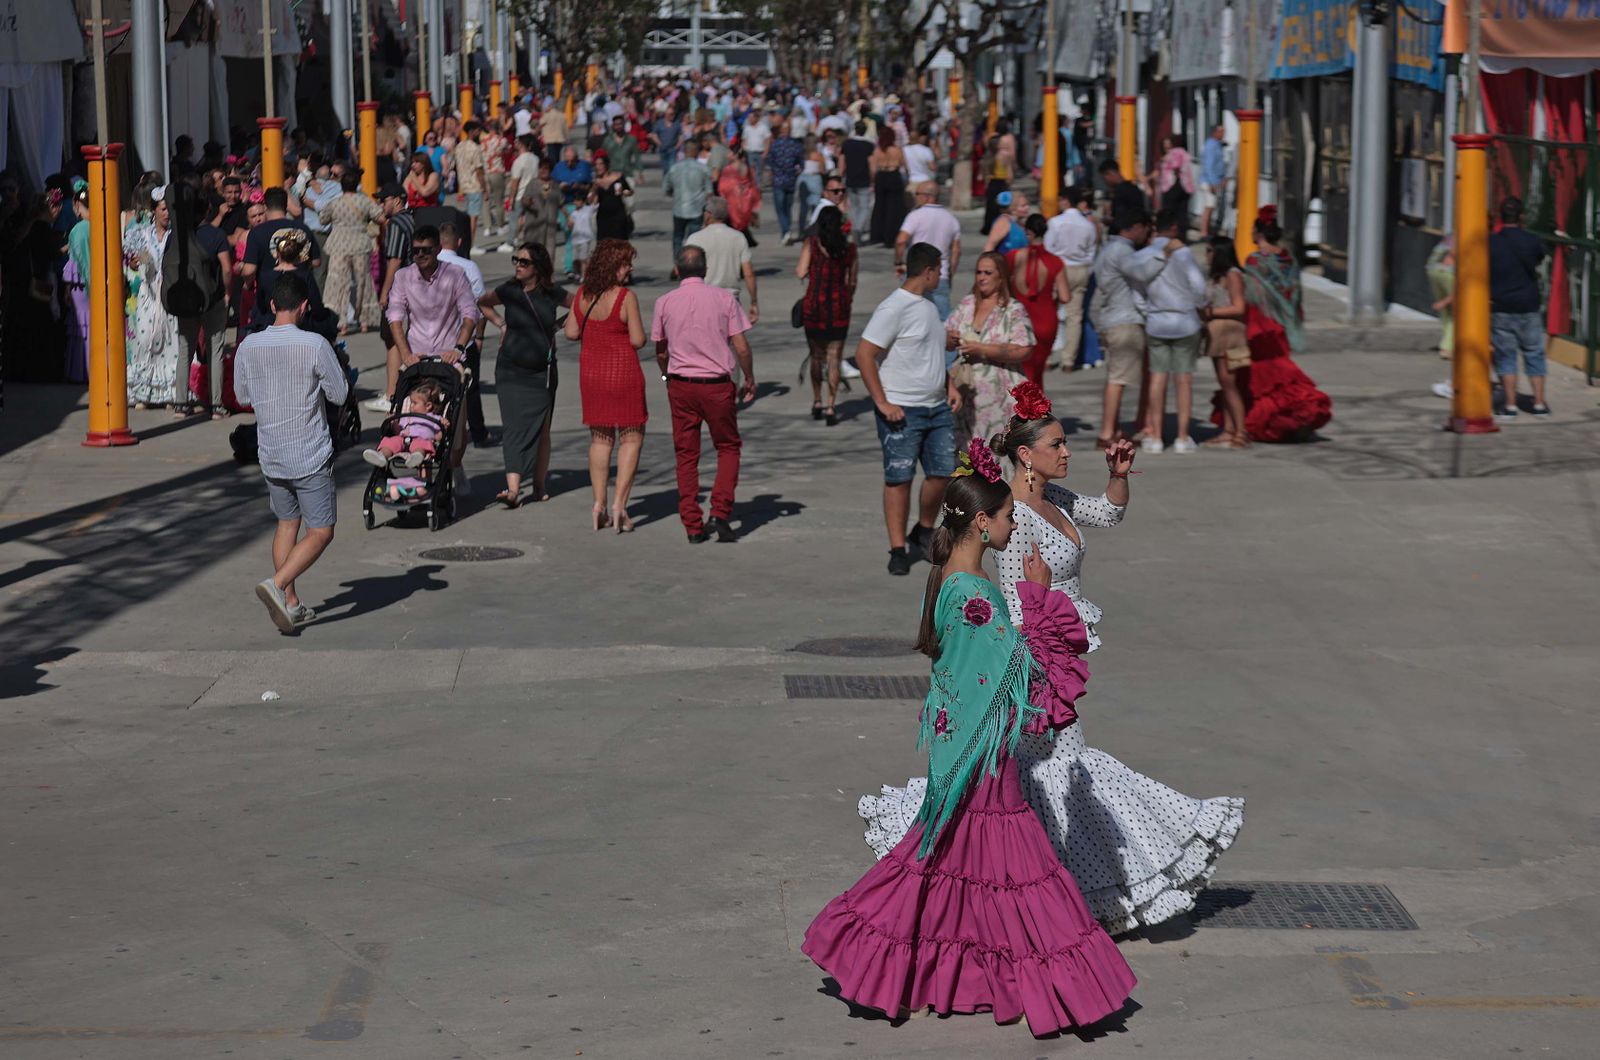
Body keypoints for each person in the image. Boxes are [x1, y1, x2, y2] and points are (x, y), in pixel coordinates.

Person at [861, 386, 1246, 935]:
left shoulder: (1056, 499)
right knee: (1054, 772)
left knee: (1039, 777)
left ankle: (1050, 888)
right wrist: (1038, 668)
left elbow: (1107, 515)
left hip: (1058, 652)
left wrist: (1118, 474)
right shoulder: (1011, 518)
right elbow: (1011, 605)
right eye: (1057, 444)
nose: (1067, 452)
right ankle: (1056, 890)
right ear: (1025, 455)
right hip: (1035, 663)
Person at [805, 448, 1138, 1035]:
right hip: (981, 761)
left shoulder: (961, 581)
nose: (1015, 524)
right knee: (1011, 877)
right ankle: (1049, 985)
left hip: (972, 753)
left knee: (959, 870)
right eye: (1009, 514)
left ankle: (949, 977)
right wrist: (1037, 598)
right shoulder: (974, 594)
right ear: (981, 523)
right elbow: (1021, 671)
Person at [233, 272, 349, 633]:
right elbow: (339, 394)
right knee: (322, 531)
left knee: (287, 523)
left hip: (271, 452)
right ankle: (278, 584)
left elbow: (242, 397)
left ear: (271, 306)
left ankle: (292, 603)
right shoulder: (314, 344)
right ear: (304, 306)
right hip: (309, 452)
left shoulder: (248, 346)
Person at [856, 241, 961, 576]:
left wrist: (949, 385)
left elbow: (930, 354)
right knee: (899, 478)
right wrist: (882, 402)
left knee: (942, 473)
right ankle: (898, 547)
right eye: (939, 271)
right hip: (902, 409)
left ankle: (924, 529)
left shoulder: (929, 307)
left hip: (938, 407)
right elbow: (864, 354)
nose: (940, 277)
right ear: (928, 271)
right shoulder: (894, 307)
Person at [651, 245, 757, 544]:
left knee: (686, 455)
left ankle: (692, 524)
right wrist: (748, 377)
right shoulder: (724, 298)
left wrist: (666, 375)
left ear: (677, 270)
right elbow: (742, 346)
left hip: (681, 384)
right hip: (717, 385)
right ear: (706, 269)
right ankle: (720, 511)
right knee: (728, 447)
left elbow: (660, 349)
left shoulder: (665, 302)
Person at [385, 223, 482, 481]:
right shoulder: (404, 276)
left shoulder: (455, 275)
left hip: (448, 355)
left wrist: (459, 348)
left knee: (455, 424)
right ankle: (418, 469)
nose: (420, 256)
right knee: (408, 413)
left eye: (426, 250)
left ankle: (455, 463)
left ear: (438, 249)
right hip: (417, 355)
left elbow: (470, 313)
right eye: (415, 251)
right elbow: (395, 316)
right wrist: (405, 354)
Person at [566, 238, 647, 532]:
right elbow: (638, 340)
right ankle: (618, 506)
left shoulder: (582, 294)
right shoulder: (626, 298)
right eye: (626, 263)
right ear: (613, 266)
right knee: (631, 438)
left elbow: (571, 333)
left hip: (592, 375)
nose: (630, 268)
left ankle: (598, 503)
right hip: (623, 373)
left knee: (600, 440)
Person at [479, 243, 569, 508]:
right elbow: (482, 302)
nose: (518, 264)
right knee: (513, 427)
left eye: (524, 261)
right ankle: (514, 489)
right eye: (515, 259)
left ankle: (539, 486)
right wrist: (501, 323)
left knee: (542, 430)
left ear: (538, 267)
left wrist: (558, 326)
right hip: (509, 370)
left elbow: (581, 305)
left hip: (542, 372)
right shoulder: (508, 290)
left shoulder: (552, 293)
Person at [1231, 211, 1333, 442]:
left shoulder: (1255, 261)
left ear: (1258, 233)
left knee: (1262, 375)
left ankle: (1271, 419)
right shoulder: (1289, 259)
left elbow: (1253, 295)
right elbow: (1294, 293)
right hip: (1282, 323)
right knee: (1281, 370)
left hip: (1259, 323)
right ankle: (1291, 415)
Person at [1090, 209, 1179, 447]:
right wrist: (1164, 254)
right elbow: (1142, 273)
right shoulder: (1122, 250)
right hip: (1125, 320)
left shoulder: (1108, 249)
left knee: (1116, 377)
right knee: (1118, 379)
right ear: (1134, 227)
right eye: (1144, 228)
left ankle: (1114, 428)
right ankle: (1107, 432)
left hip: (1112, 318)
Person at [945, 251, 1035, 448]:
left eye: (987, 273)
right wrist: (950, 340)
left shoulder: (1013, 309)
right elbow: (944, 338)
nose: (982, 278)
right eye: (978, 273)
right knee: (967, 454)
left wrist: (982, 349)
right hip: (966, 392)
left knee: (998, 454)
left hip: (1000, 397)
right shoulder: (967, 304)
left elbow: (1025, 349)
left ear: (1001, 276)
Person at [1139, 207, 1208, 453]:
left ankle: (1156, 436)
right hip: (1185, 321)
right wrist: (1199, 305)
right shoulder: (1184, 253)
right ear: (1176, 228)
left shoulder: (1146, 254)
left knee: (1157, 379)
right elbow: (1199, 287)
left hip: (1157, 321)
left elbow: (1138, 285)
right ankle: (1181, 436)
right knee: (1184, 380)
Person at [124, 182, 184, 408]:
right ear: (154, 211)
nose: (167, 213)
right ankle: (143, 393)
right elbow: (132, 262)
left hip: (169, 293)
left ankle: (169, 393)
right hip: (148, 294)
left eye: (169, 209)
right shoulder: (141, 234)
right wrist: (135, 261)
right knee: (144, 339)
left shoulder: (175, 235)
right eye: (163, 209)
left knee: (170, 341)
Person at [796, 204, 857, 425]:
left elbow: (800, 271)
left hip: (815, 307)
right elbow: (852, 281)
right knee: (834, 358)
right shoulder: (849, 249)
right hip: (839, 308)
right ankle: (832, 405)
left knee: (816, 355)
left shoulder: (811, 245)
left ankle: (817, 400)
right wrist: (846, 298)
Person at [1490, 196, 1549, 420]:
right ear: (1522, 216)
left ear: (1500, 216)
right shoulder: (1532, 240)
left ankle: (1511, 406)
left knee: (1506, 357)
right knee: (1534, 354)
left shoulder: (1491, 242)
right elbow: (1539, 259)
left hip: (1502, 306)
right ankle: (1540, 404)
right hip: (1529, 305)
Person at [436, 222, 489, 446]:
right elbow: (480, 307)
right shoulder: (469, 266)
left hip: (433, 340)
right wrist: (479, 337)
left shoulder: (430, 265)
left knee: (436, 388)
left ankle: (435, 431)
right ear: (458, 242)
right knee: (470, 387)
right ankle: (478, 433)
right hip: (462, 340)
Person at [365, 182, 415, 411]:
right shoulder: (411, 219)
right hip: (415, 285)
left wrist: (385, 292)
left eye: (383, 200)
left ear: (396, 200)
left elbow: (394, 260)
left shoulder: (395, 224)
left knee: (392, 339)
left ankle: (392, 394)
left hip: (399, 288)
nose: (381, 204)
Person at [1199, 236, 1251, 449]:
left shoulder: (1233, 275)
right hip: (1216, 335)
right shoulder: (1215, 276)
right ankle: (1229, 430)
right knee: (1224, 384)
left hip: (1231, 334)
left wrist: (1210, 312)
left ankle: (1240, 430)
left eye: (1210, 250)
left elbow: (1239, 307)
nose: (1207, 255)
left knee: (1230, 384)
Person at [1007, 214, 1069, 385]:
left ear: (1028, 232)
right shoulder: (1055, 261)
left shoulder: (1013, 257)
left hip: (1020, 320)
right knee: (1038, 370)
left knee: (1023, 370)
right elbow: (1065, 297)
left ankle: (1028, 408)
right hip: (1046, 320)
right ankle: (1035, 408)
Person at [320, 169, 383, 335]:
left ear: (342, 185)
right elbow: (380, 217)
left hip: (339, 245)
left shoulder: (335, 203)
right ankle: (364, 321)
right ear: (357, 185)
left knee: (340, 283)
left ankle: (342, 323)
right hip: (360, 244)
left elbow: (323, 219)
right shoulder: (365, 201)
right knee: (363, 281)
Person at [1044, 184, 1098, 371]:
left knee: (1050, 312)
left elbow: (1048, 248)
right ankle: (1069, 360)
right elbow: (1092, 250)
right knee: (1075, 316)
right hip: (1081, 268)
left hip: (1060, 268)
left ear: (1065, 201)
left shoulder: (1055, 223)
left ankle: (1049, 357)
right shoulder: (1088, 225)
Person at [894, 181, 961, 320]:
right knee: (942, 318)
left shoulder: (915, 216)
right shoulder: (951, 219)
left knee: (913, 316)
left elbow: (901, 240)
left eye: (917, 194)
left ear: (926, 196)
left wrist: (899, 262)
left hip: (917, 273)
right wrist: (950, 272)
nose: (915, 197)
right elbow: (956, 251)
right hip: (940, 275)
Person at [685, 197, 757, 317]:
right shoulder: (738, 237)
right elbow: (748, 274)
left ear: (708, 214)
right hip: (731, 298)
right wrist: (754, 301)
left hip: (703, 298)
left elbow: (687, 272)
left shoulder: (695, 238)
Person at [664, 138, 713, 259]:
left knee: (677, 238)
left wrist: (675, 194)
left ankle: (677, 264)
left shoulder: (674, 168)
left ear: (684, 151)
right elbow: (709, 192)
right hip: (696, 209)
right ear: (696, 152)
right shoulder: (703, 169)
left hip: (679, 208)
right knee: (694, 239)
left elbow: (666, 188)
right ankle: (692, 262)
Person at [765, 116, 804, 244]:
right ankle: (786, 231)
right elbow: (801, 163)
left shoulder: (775, 145)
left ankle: (786, 231)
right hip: (790, 180)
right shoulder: (795, 145)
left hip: (779, 181)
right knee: (787, 208)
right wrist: (796, 172)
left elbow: (769, 161)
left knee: (780, 209)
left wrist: (773, 172)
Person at [1145, 134, 1194, 233]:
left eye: (1168, 144)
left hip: (1173, 185)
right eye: (1164, 144)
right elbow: (1158, 171)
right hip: (1184, 187)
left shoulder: (1175, 153)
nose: (1166, 146)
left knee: (1170, 212)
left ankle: (1170, 233)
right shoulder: (1181, 153)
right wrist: (1147, 178)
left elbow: (1176, 166)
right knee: (1181, 212)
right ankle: (1181, 234)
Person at [867, 127, 907, 247]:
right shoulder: (897, 150)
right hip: (893, 176)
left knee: (880, 207)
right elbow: (903, 165)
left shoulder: (877, 151)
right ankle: (892, 235)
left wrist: (873, 182)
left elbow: (873, 170)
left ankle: (879, 235)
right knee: (895, 208)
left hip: (881, 177)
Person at [716, 145, 762, 245]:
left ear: (736, 155)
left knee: (733, 222)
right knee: (742, 222)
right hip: (746, 199)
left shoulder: (728, 169)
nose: (727, 155)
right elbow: (753, 185)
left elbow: (723, 187)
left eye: (730, 153)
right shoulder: (747, 167)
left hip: (732, 201)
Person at [502, 134, 541, 251]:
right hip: (533, 193)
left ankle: (510, 242)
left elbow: (515, 182)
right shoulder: (536, 159)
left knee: (514, 218)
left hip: (520, 193)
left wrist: (511, 197)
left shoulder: (518, 161)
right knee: (530, 218)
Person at [841, 120, 875, 241]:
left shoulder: (847, 144)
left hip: (850, 178)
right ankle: (858, 229)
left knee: (854, 207)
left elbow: (842, 162)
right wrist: (873, 180)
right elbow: (872, 165)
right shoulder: (868, 145)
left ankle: (855, 228)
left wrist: (840, 177)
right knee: (864, 207)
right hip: (864, 179)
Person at [454, 122, 487, 245]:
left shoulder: (459, 146)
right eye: (478, 131)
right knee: (473, 217)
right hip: (474, 185)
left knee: (468, 217)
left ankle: (465, 242)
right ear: (472, 131)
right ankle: (470, 244)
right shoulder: (474, 148)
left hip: (464, 184)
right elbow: (479, 171)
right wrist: (485, 189)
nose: (479, 133)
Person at [591, 153, 633, 241]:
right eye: (596, 165)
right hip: (603, 216)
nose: (598, 167)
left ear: (606, 165)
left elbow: (629, 191)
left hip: (618, 214)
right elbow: (592, 201)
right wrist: (594, 189)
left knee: (619, 241)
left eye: (600, 164)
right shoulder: (596, 181)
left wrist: (624, 192)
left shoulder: (618, 177)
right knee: (604, 244)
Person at [1199, 124, 1227, 238]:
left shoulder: (1217, 144)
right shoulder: (1211, 146)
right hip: (1209, 181)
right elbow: (1209, 166)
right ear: (1215, 132)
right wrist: (1212, 182)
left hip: (1215, 180)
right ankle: (1204, 232)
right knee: (1209, 206)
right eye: (1221, 132)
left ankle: (1207, 230)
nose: (1223, 134)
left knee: (1212, 206)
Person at [982, 190, 1031, 254]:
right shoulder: (1004, 221)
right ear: (1013, 208)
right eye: (1023, 206)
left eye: (1027, 205)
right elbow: (990, 245)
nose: (1027, 208)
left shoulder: (1020, 224)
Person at [539, 101, 568, 165]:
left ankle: (552, 168)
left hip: (550, 139)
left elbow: (541, 122)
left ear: (550, 107)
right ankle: (557, 166)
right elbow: (565, 128)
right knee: (558, 155)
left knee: (551, 155)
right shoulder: (562, 115)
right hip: (560, 138)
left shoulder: (547, 115)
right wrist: (566, 137)